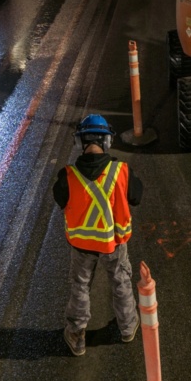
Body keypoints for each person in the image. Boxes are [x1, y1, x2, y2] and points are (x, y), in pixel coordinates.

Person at [53, 114, 143, 356]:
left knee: (80, 286)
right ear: (107, 141)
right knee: (121, 282)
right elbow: (137, 196)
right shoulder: (121, 171)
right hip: (114, 244)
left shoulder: (68, 175)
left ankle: (76, 335)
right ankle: (128, 327)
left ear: (80, 142)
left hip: (82, 246)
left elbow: (59, 198)